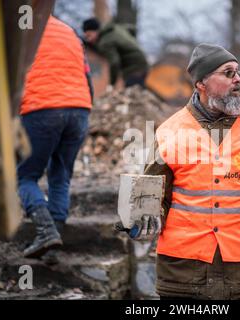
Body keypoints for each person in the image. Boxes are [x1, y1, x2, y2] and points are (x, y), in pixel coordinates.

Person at [131, 43, 240, 300]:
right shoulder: (169, 132)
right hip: (182, 272)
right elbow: (152, 199)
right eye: (228, 73)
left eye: (239, 73)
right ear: (201, 84)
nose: (238, 79)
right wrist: (140, 220)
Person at [17, 16, 93, 259]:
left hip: (41, 109)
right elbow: (87, 75)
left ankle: (46, 230)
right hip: (79, 109)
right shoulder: (68, 30)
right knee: (60, 174)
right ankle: (52, 244)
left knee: (24, 175)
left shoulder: (16, 29)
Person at [82, 17, 149, 88]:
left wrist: (111, 84)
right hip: (142, 61)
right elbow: (132, 29)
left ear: (96, 31)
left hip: (133, 67)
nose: (88, 40)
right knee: (138, 89)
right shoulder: (115, 28)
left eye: (89, 35)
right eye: (86, 37)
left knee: (132, 91)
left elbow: (114, 62)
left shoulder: (105, 42)